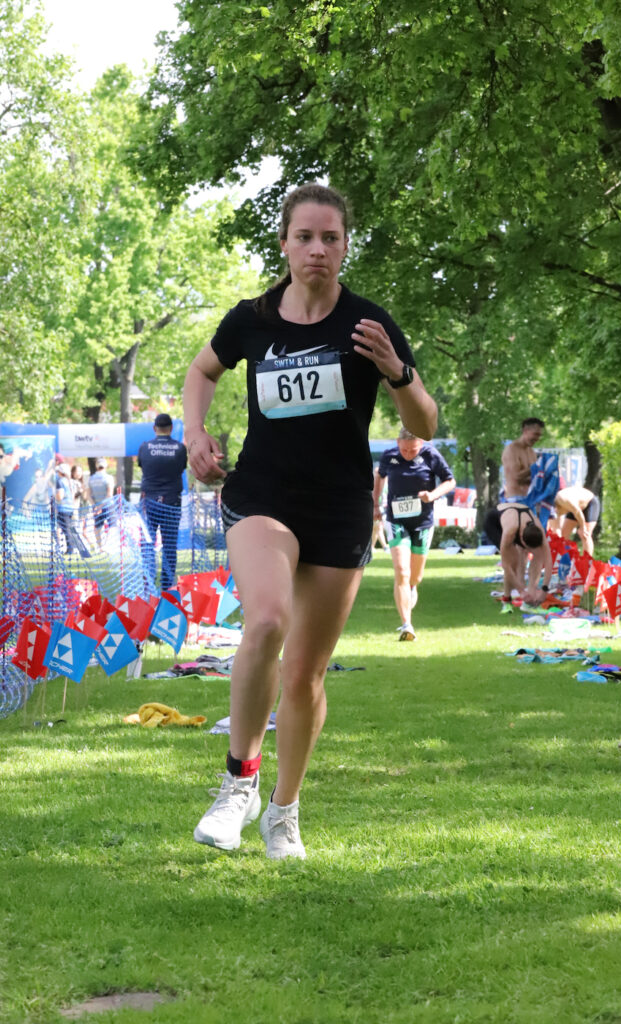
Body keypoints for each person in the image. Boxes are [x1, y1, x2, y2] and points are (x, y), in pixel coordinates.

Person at [183, 183, 438, 860]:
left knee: (303, 674)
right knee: (266, 620)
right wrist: (195, 433)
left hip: (339, 507)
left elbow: (423, 422)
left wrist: (397, 371)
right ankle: (238, 783)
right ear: (284, 244)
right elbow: (202, 371)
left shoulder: (368, 323)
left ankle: (283, 813)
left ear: (346, 246)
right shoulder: (252, 319)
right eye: (304, 237)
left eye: (330, 238)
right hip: (262, 494)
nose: (317, 249)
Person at [373, 427, 455, 641]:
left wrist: (432, 495)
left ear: (421, 444)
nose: (408, 454)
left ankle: (412, 587)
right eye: (404, 450)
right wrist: (375, 504)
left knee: (415, 576)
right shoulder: (389, 456)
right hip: (396, 520)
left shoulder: (430, 454)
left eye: (413, 450)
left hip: (422, 523)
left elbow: (450, 481)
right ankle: (406, 625)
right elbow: (379, 476)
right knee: (402, 570)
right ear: (397, 442)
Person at [137, 413, 187, 590]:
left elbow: (142, 466)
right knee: (169, 546)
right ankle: (166, 586)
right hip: (172, 503)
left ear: (154, 428)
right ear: (171, 428)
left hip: (149, 502)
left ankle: (149, 583)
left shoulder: (145, 447)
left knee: (148, 544)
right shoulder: (180, 448)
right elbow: (181, 468)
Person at [483, 502, 552, 609]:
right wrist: (521, 591)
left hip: (518, 517)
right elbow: (506, 566)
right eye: (527, 547)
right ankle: (506, 598)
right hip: (494, 523)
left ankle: (532, 591)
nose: (528, 550)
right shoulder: (510, 532)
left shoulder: (539, 531)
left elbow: (548, 561)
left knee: (539, 554)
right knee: (512, 560)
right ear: (521, 537)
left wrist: (544, 590)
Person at [501, 418, 545, 502]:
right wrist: (536, 466)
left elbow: (533, 477)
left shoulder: (531, 452)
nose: (537, 438)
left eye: (539, 435)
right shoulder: (511, 449)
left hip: (530, 499)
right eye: (536, 434)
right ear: (525, 431)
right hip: (514, 499)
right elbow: (515, 477)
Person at [55, 461, 90, 558]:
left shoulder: (60, 481)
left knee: (69, 530)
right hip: (71, 508)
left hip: (64, 508)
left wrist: (53, 497)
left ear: (60, 472)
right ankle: (69, 549)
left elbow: (60, 496)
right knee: (67, 529)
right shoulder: (70, 481)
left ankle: (74, 550)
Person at [553, 485, 599, 557]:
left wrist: (583, 527)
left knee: (585, 534)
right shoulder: (552, 505)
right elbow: (556, 528)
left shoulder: (565, 500)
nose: (559, 514)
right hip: (574, 508)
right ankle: (563, 558)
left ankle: (587, 560)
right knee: (564, 534)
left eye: (559, 513)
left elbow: (578, 512)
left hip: (589, 503)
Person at [87, 457, 115, 549]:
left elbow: (88, 495)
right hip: (108, 505)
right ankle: (107, 546)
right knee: (112, 526)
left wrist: (95, 506)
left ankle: (100, 547)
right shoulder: (109, 478)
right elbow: (109, 494)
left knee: (98, 527)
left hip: (96, 506)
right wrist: (101, 506)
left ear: (96, 466)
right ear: (105, 466)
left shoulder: (91, 478)